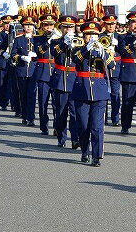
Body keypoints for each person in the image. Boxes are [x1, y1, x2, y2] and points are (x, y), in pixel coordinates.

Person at [71, 21, 115, 167]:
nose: (92, 37)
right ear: (84, 36)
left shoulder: (105, 50)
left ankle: (96, 156)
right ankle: (85, 151)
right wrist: (86, 49)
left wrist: (103, 52)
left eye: (95, 34)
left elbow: (112, 65)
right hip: (81, 89)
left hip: (99, 90)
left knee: (97, 126)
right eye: (89, 34)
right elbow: (75, 60)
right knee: (83, 125)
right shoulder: (77, 48)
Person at [49, 15, 80, 148]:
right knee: (61, 112)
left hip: (75, 78)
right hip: (60, 78)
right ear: (60, 27)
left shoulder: (80, 41)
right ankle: (61, 138)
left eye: (71, 27)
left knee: (74, 112)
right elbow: (54, 53)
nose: (68, 29)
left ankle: (75, 138)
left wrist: (73, 44)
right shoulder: (55, 40)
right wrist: (64, 42)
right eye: (65, 27)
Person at [119, 11, 136, 135]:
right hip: (128, 72)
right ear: (128, 24)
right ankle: (125, 125)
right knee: (127, 102)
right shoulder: (123, 37)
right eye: (133, 22)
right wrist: (135, 43)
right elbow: (124, 51)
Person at [10, 16, 38, 126]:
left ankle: (30, 117)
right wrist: (21, 57)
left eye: (31, 25)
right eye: (27, 25)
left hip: (33, 71)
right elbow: (13, 55)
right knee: (23, 94)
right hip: (21, 71)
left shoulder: (37, 39)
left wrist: (36, 56)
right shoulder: (18, 39)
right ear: (23, 27)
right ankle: (24, 115)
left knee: (31, 95)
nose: (29, 27)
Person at [33, 14, 58, 135]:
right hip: (43, 73)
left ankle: (57, 126)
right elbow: (39, 51)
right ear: (42, 26)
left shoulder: (58, 38)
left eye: (51, 25)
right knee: (43, 102)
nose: (49, 27)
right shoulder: (37, 38)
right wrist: (48, 42)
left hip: (56, 73)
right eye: (46, 25)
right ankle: (44, 125)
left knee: (56, 103)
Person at [100, 15, 122, 126]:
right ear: (104, 24)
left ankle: (115, 118)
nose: (111, 26)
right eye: (109, 24)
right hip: (103, 69)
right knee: (103, 95)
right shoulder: (100, 36)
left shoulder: (120, 36)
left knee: (115, 94)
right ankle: (103, 118)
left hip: (115, 68)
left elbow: (124, 51)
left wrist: (118, 45)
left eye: (113, 24)